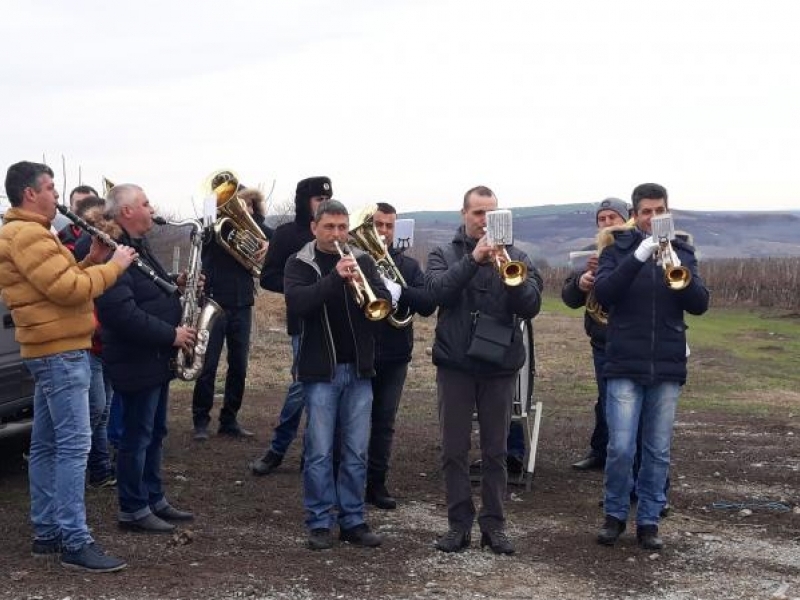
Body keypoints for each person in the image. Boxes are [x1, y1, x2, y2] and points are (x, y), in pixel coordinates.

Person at [0, 161, 135, 572]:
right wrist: (115, 266)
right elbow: (68, 290)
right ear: (30, 194)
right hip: (60, 353)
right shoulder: (27, 235)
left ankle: (47, 533)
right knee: (75, 446)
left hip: (50, 349)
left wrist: (92, 260)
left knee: (44, 444)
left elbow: (59, 284)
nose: (58, 198)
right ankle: (74, 540)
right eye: (52, 190)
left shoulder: (30, 234)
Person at [425, 186, 543, 555]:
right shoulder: (443, 253)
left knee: (496, 451)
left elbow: (531, 306)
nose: (483, 220)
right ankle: (458, 525)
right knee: (454, 449)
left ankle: (494, 525)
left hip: (498, 366)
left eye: (491, 213)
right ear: (464, 214)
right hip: (456, 364)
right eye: (478, 213)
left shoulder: (519, 256)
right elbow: (435, 295)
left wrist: (509, 274)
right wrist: (473, 260)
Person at [594, 183, 709, 551]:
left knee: (658, 449)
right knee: (622, 447)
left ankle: (648, 520)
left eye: (660, 211)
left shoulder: (684, 252)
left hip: (667, 362)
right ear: (635, 214)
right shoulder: (618, 249)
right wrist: (640, 256)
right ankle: (614, 515)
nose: (654, 218)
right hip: (625, 360)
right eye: (646, 211)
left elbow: (700, 304)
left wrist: (677, 269)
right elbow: (605, 294)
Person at [284, 199, 390, 550]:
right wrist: (335, 279)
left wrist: (365, 285)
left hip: (359, 370)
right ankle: (318, 522)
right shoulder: (300, 263)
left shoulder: (362, 259)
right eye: (329, 227)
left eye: (342, 227)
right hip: (321, 372)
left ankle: (353, 521)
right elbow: (300, 305)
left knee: (356, 450)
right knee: (319, 451)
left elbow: (382, 305)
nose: (337, 234)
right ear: (315, 228)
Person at [95, 183, 196, 534]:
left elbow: (144, 287)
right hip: (136, 358)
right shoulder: (112, 252)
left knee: (154, 432)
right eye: (146, 203)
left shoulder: (138, 245)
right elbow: (120, 313)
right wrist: (172, 335)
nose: (152, 209)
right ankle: (133, 508)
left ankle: (154, 498)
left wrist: (174, 283)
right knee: (136, 437)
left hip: (154, 358)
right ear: (127, 211)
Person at [249, 176, 332, 475]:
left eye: (327, 199)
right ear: (304, 201)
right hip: (304, 323)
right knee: (301, 386)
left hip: (337, 325)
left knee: (327, 388)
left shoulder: (335, 233)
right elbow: (267, 277)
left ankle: (312, 453)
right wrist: (299, 288)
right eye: (318, 200)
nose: (324, 204)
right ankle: (277, 449)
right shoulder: (286, 235)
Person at [366, 203, 436, 509]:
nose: (383, 232)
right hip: (360, 353)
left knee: (384, 422)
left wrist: (399, 291)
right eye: (377, 225)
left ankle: (377, 484)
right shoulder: (356, 261)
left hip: (395, 355)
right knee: (353, 422)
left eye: (388, 226)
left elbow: (427, 305)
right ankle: (348, 482)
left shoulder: (408, 267)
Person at [191, 187, 270, 440]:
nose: (242, 208)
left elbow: (276, 242)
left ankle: (230, 419)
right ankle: (201, 420)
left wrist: (267, 242)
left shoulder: (258, 229)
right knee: (208, 363)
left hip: (242, 303)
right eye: (237, 204)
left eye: (246, 204)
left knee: (239, 366)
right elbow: (200, 236)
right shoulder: (215, 227)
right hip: (214, 300)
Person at [563, 197, 629, 471]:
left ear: (626, 219)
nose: (606, 223)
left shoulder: (637, 250)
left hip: (630, 337)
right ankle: (601, 451)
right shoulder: (591, 254)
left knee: (622, 401)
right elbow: (569, 297)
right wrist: (581, 282)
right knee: (606, 398)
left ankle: (621, 456)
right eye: (602, 219)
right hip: (602, 339)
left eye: (612, 217)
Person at [58, 185, 100, 251]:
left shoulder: (115, 231)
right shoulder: (62, 238)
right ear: (71, 209)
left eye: (91, 203)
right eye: (79, 204)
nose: (85, 208)